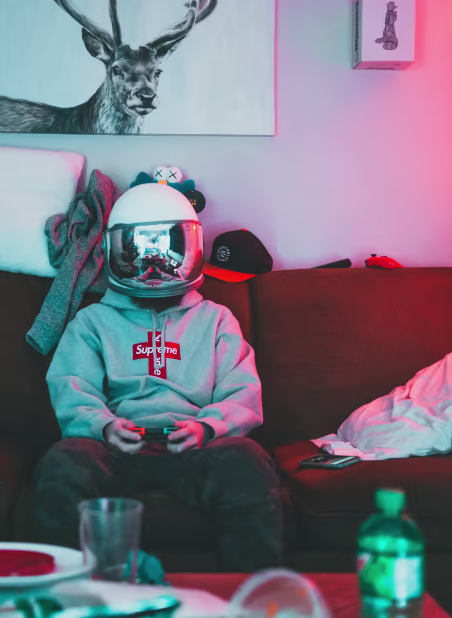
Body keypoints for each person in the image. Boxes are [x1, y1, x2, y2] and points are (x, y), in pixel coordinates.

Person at [32, 183, 283, 571]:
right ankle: (67, 593)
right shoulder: (93, 321)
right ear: (114, 253)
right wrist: (103, 427)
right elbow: (72, 386)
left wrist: (208, 428)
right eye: (137, 255)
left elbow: (242, 392)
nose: (152, 270)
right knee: (64, 462)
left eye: (166, 255)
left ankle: (252, 593)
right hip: (117, 445)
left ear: (191, 251)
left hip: (194, 445)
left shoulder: (216, 319)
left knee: (247, 461)